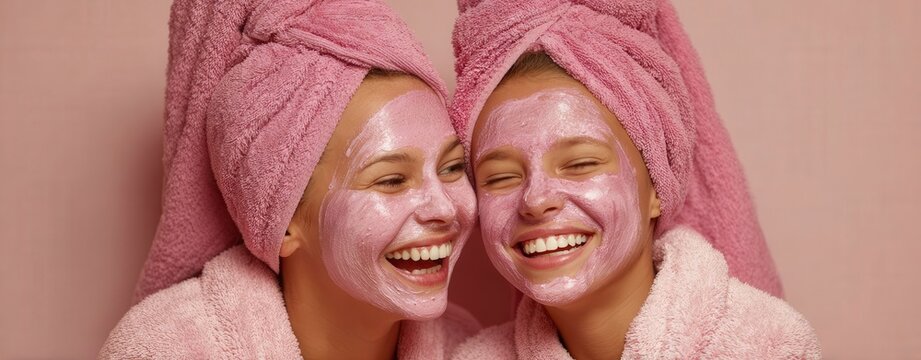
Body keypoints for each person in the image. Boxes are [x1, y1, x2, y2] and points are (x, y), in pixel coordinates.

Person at [101, 0, 478, 358]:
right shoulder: (167, 348)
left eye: (452, 168)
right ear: (280, 223)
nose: (444, 208)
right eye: (392, 180)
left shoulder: (468, 348)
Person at [448, 0, 821, 358]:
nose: (535, 199)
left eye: (580, 164)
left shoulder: (769, 347)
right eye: (501, 177)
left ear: (656, 186)